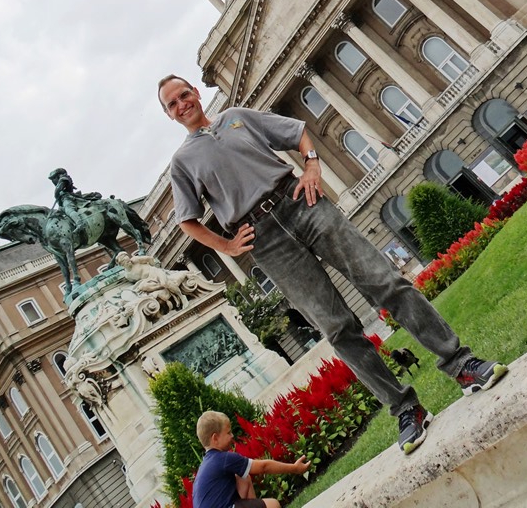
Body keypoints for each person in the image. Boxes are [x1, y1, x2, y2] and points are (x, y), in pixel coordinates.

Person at [158, 75, 509, 454]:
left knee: (385, 282)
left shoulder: (237, 117)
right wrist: (226, 245)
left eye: (184, 94)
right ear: (170, 115)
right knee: (337, 327)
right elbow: (187, 220)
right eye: (173, 104)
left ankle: (461, 364)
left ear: (195, 91)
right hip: (265, 240)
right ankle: (406, 409)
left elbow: (298, 133)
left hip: (301, 202)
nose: (182, 104)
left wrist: (312, 167)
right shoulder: (183, 161)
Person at [193, 410, 310, 508]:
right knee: (273, 504)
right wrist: (295, 468)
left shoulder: (205, 466)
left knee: (243, 476)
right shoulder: (223, 458)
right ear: (215, 438)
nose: (232, 436)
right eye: (228, 433)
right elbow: (264, 467)